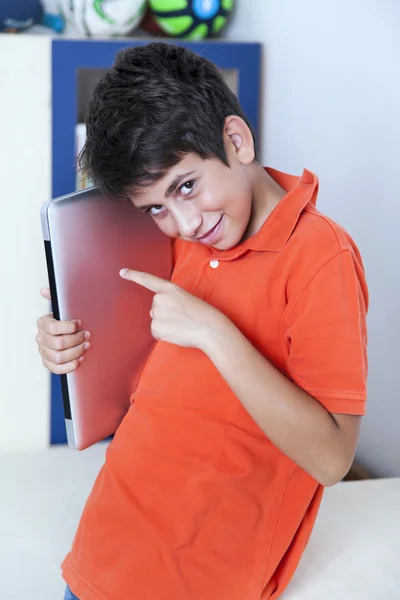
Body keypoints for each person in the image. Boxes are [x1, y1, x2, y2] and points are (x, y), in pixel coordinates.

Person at [36, 43, 368, 600]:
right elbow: (145, 375)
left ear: (236, 141)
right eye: (156, 208)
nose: (184, 223)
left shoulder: (321, 257)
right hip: (101, 556)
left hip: (204, 581)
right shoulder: (180, 236)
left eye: (186, 186)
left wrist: (215, 333)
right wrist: (65, 340)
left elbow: (333, 458)